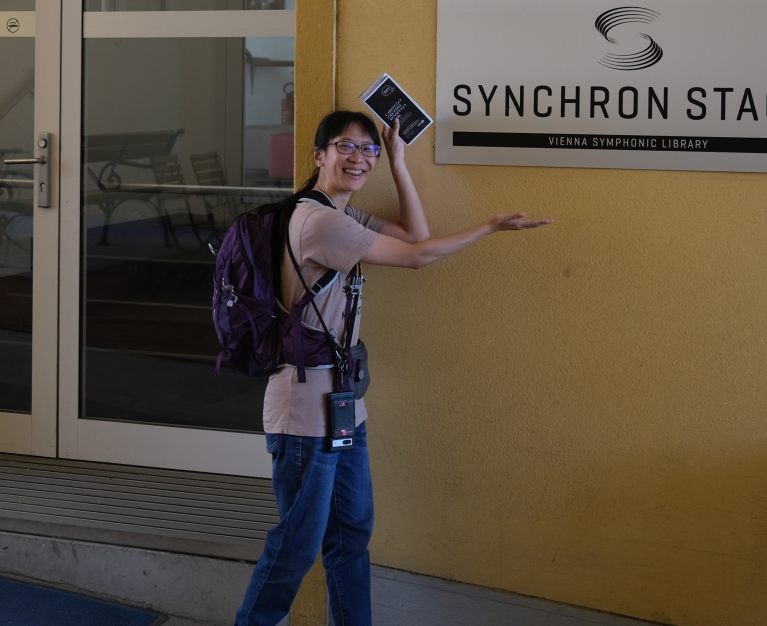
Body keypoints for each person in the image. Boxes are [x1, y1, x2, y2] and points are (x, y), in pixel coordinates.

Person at [234, 109, 552, 626]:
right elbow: (419, 256)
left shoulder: (343, 213)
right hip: (304, 410)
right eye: (345, 146)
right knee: (298, 544)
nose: (359, 158)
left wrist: (398, 161)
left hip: (343, 403)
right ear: (318, 156)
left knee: (350, 536)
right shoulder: (321, 222)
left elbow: (413, 234)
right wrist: (489, 226)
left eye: (368, 149)